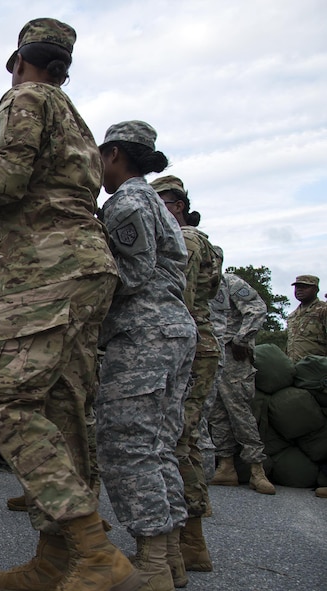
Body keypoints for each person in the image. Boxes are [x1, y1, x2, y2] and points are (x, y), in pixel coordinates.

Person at [0, 19, 134, 591]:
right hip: (85, 268)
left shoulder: (25, 97)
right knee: (60, 410)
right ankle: (58, 558)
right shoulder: (75, 116)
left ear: (18, 61)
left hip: (41, 271)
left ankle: (94, 550)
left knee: (6, 400)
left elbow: (4, 181)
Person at [97, 120, 197, 590]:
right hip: (171, 331)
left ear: (115, 154)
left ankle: (153, 564)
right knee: (158, 446)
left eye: (101, 156)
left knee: (127, 446)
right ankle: (171, 556)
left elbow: (131, 274)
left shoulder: (127, 202)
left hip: (144, 334)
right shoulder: (154, 202)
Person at [151, 174, 221, 580]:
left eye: (160, 203)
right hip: (195, 347)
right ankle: (188, 543)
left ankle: (182, 545)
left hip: (187, 349)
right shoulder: (196, 240)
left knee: (175, 441)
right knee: (184, 440)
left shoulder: (187, 240)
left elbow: (180, 300)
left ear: (176, 206)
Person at [208, 271, 276, 495]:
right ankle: (226, 466)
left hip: (233, 353)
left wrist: (242, 338)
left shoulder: (230, 282)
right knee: (216, 412)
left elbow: (257, 308)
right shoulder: (195, 283)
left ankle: (256, 469)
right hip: (209, 353)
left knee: (239, 410)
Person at [286, 275, 327, 362]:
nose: (299, 290)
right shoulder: (292, 316)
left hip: (318, 367)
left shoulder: (323, 310)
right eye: (297, 287)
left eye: (304, 287)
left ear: (316, 290)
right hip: (294, 366)